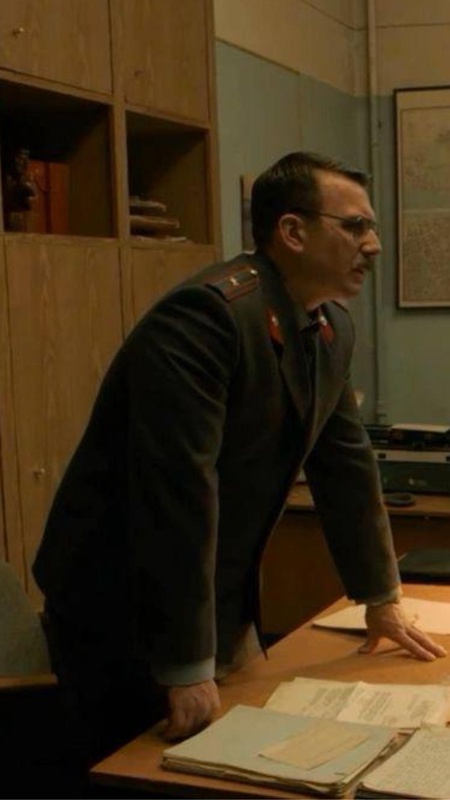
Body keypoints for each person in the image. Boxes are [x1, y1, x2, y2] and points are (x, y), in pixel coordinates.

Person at [33, 150, 446, 770]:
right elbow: (177, 494)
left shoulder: (329, 326)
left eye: (373, 227)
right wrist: (186, 663)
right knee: (140, 769)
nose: (374, 245)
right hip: (121, 603)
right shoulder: (207, 318)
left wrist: (380, 597)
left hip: (212, 597)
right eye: (355, 226)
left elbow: (346, 466)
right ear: (292, 231)